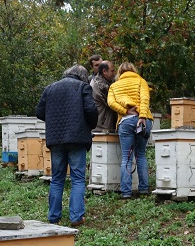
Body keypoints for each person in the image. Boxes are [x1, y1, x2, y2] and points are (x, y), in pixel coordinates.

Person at [35, 65, 98, 225]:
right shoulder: (83, 87)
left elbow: (39, 112)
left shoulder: (50, 88)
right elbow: (91, 109)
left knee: (57, 179)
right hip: (77, 138)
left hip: (56, 140)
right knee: (77, 178)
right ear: (82, 77)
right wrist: (89, 125)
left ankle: (53, 217)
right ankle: (76, 217)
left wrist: (55, 121)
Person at [107, 62, 153, 199]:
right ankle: (144, 189)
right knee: (141, 155)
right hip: (142, 119)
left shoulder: (114, 86)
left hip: (125, 121)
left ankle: (126, 192)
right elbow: (145, 99)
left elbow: (111, 103)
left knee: (126, 157)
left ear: (119, 72)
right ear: (133, 70)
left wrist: (125, 111)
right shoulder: (141, 81)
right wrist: (143, 116)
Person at [90, 60, 118, 132]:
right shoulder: (100, 86)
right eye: (112, 71)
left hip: (104, 125)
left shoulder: (107, 81)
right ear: (104, 71)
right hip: (101, 127)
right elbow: (112, 103)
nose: (114, 73)